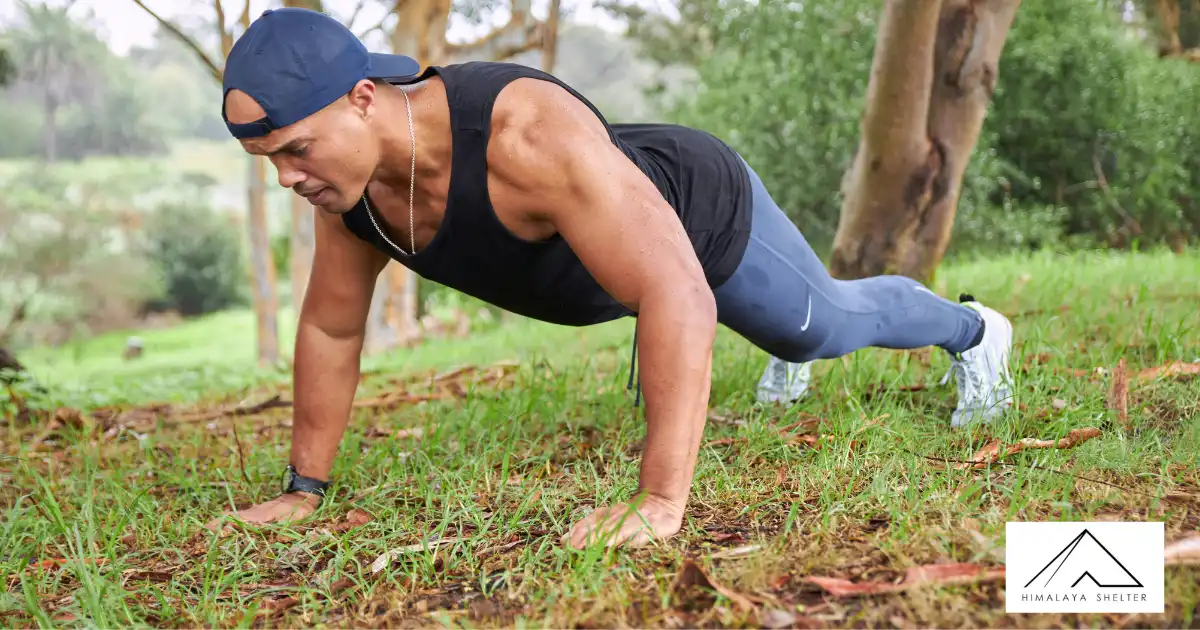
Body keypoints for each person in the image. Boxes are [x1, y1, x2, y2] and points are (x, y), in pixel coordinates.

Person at [207, 7, 1014, 548]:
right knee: (765, 330)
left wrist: (659, 503)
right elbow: (331, 328)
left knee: (823, 326)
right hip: (634, 252)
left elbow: (675, 291)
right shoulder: (353, 198)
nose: (287, 179)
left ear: (360, 99)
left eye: (294, 151)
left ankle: (973, 331)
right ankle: (777, 347)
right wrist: (303, 489)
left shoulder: (523, 136)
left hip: (695, 219)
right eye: (268, 161)